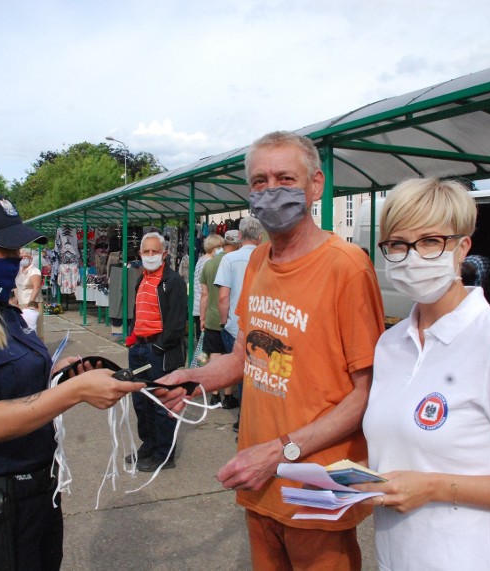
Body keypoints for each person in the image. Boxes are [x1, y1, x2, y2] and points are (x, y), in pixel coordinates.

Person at [160, 131, 385, 569]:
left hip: (317, 482)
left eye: (285, 178)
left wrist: (281, 451)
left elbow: (367, 393)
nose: (270, 190)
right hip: (259, 473)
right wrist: (195, 379)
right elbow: (245, 357)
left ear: (315, 185)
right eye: (259, 181)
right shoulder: (260, 259)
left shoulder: (348, 266)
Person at [353, 177, 490, 570]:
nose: (412, 257)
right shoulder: (390, 345)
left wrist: (435, 487)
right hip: (394, 559)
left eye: (429, 242)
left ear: (462, 248)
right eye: (397, 245)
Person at [0, 192, 143, 570]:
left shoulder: (1, 310)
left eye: (19, 247)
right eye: (5, 248)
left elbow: (10, 380)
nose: (17, 257)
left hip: (37, 491)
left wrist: (55, 372)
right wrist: (74, 392)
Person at [126, 231, 187, 472]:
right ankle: (149, 445)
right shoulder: (142, 278)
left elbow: (176, 321)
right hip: (139, 348)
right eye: (146, 251)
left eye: (155, 251)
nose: (150, 256)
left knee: (161, 404)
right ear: (140, 254)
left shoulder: (172, 282)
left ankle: (164, 453)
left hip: (158, 350)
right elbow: (138, 312)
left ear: (164, 253)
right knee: (141, 401)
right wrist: (132, 339)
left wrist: (159, 346)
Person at [215, 218, 264, 411]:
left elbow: (223, 296)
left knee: (239, 372)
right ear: (260, 237)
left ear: (240, 236)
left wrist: (223, 320)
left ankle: (244, 419)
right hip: (261, 324)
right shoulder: (266, 258)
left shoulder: (229, 259)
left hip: (235, 324)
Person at [198, 233, 232, 406]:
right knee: (228, 357)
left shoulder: (209, 264)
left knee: (214, 356)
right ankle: (228, 396)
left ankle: (214, 395)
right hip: (230, 317)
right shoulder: (232, 262)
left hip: (211, 317)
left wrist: (202, 317)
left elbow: (204, 295)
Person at [15, 248, 44, 339]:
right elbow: (16, 287)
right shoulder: (19, 271)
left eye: (26, 257)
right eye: (21, 257)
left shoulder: (34, 271)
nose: (23, 259)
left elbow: (36, 287)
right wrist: (17, 301)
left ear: (30, 258)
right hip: (21, 303)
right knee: (23, 330)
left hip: (32, 303)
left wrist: (30, 302)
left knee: (35, 329)